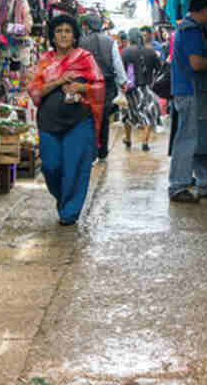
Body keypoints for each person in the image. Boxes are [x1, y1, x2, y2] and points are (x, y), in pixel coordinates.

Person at [29, 14, 105, 226]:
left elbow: (99, 87)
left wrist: (81, 87)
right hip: (48, 122)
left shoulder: (85, 58)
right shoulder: (45, 61)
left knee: (75, 166)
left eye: (68, 31)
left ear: (74, 36)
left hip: (79, 122)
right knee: (51, 166)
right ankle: (64, 199)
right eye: (59, 31)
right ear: (52, 36)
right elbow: (34, 92)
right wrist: (58, 81)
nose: (63, 35)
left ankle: (69, 212)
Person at [169, 0, 207, 202]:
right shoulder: (191, 31)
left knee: (203, 138)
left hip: (197, 92)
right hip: (190, 92)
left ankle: (205, 183)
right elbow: (196, 63)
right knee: (187, 138)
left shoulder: (189, 30)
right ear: (202, 10)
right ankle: (178, 185)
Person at [80, 13, 127, 161]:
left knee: (88, 117)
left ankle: (91, 151)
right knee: (104, 117)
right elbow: (117, 63)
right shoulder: (110, 42)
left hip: (87, 84)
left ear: (86, 26)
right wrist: (122, 82)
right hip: (106, 85)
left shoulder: (81, 42)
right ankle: (102, 152)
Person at [122, 29, 163, 152]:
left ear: (130, 38)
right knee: (147, 115)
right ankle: (144, 142)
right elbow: (159, 68)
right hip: (146, 88)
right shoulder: (151, 51)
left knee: (128, 115)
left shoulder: (125, 52)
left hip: (130, 89)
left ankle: (128, 139)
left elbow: (121, 71)